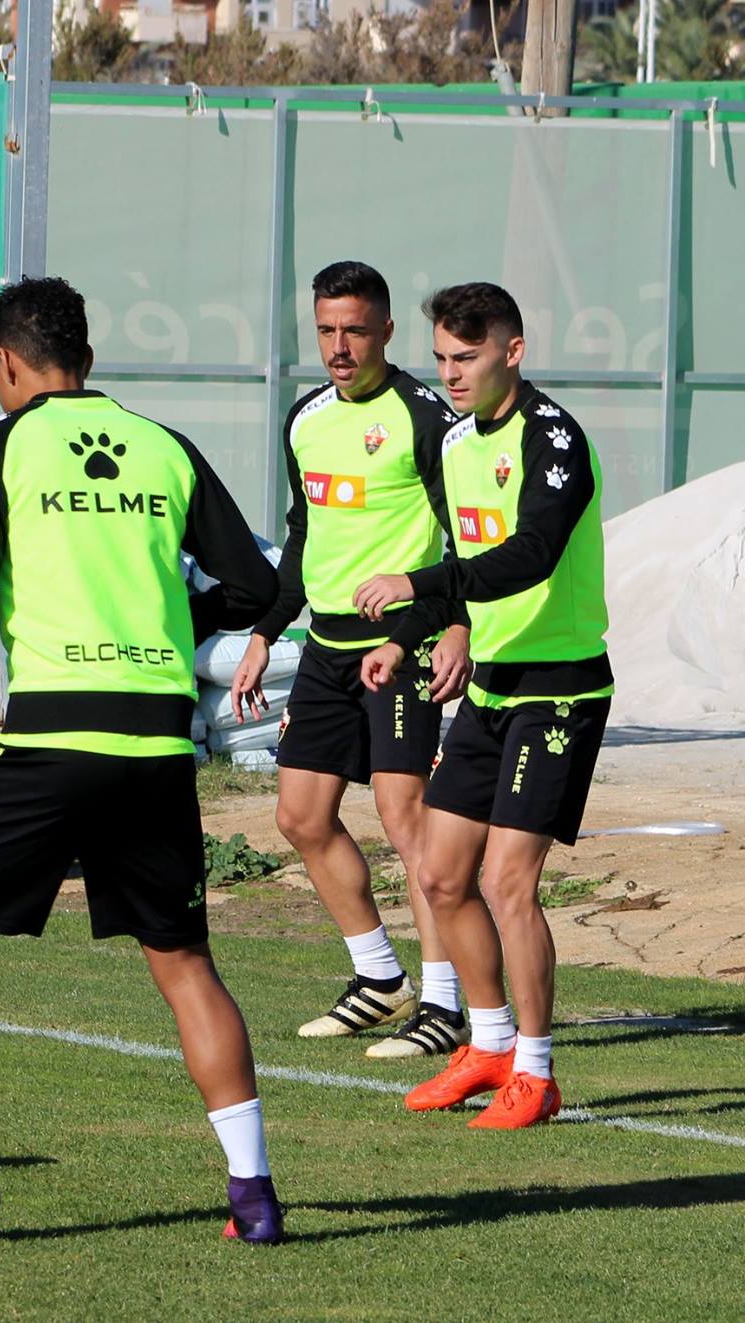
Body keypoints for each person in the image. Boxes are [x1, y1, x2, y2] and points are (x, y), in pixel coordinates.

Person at [0, 276, 284, 1242]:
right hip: (156, 740)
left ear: (7, 366)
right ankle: (255, 1195)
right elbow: (260, 584)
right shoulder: (164, 447)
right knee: (186, 962)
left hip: (53, 734)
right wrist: (170, 621)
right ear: (87, 361)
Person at [354, 282, 611, 1129]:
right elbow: (468, 565)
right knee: (437, 871)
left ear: (513, 350)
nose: (451, 373)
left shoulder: (555, 438)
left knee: (508, 881)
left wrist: (417, 584)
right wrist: (412, 631)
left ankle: (535, 1073)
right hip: (494, 684)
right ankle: (489, 1044)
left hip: (559, 689)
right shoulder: (459, 442)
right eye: (441, 357)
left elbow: (531, 556)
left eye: (467, 356)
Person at [230, 261, 472, 1058]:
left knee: (408, 821)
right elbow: (305, 535)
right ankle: (379, 977)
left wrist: (454, 625)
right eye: (327, 329)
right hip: (327, 648)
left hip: (400, 645)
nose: (339, 345)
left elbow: (467, 539)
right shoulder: (305, 419)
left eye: (355, 330)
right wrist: (267, 630)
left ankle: (443, 1003)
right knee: (298, 815)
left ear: (387, 332)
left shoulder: (424, 415)